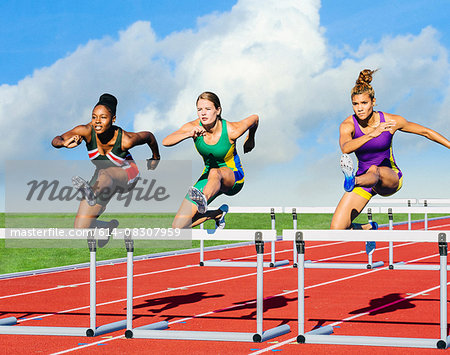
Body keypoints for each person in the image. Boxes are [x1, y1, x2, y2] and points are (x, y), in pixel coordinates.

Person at [331, 69, 450, 230]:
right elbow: (346, 148)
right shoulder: (348, 125)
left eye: (364, 103)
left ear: (373, 102)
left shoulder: (390, 121)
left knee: (375, 170)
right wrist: (372, 134)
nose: (359, 108)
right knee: (336, 230)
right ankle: (368, 228)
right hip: (366, 180)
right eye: (355, 104)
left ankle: (353, 180)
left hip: (390, 177)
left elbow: (425, 132)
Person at [52, 93, 160, 243]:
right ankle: (107, 227)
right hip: (103, 180)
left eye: (103, 117)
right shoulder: (85, 131)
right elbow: (56, 140)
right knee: (80, 228)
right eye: (94, 116)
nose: (97, 121)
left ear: (113, 119)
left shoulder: (126, 140)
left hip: (126, 173)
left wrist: (155, 158)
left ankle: (92, 193)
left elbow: (149, 136)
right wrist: (63, 143)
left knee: (105, 173)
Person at [162, 91, 258, 229]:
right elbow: (166, 141)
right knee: (178, 226)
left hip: (233, 177)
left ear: (218, 110)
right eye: (199, 110)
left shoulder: (232, 130)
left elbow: (255, 118)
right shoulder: (193, 126)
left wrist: (251, 138)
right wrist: (189, 133)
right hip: (209, 179)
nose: (203, 113)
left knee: (215, 172)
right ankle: (216, 214)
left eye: (208, 109)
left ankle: (203, 200)